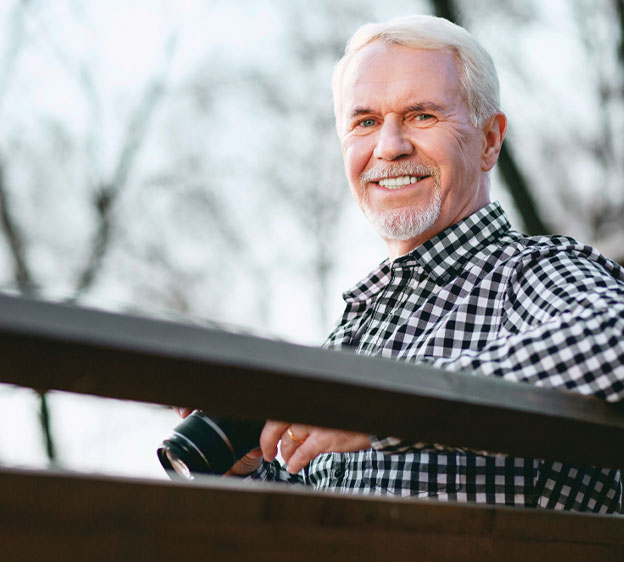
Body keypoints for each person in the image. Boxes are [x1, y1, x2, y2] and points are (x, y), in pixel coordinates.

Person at [180, 14, 624, 512]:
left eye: (422, 115)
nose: (389, 147)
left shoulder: (527, 274)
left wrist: (383, 408)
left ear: (490, 140)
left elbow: (616, 337)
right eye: (366, 122)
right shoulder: (351, 336)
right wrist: (248, 474)